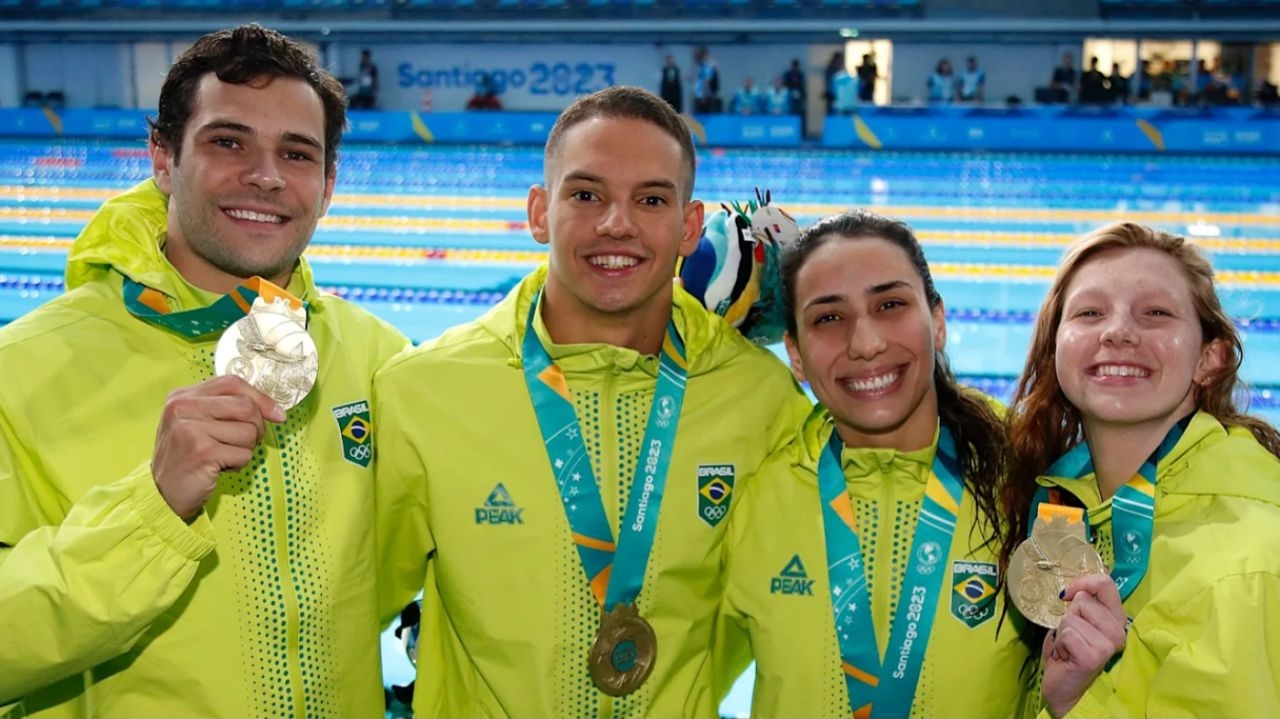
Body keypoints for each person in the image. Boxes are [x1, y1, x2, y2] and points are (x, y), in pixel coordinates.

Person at [0, 24, 409, 718]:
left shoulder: (379, 358)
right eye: (229, 142)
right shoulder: (22, 371)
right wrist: (151, 510)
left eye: (297, 153)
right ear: (163, 158)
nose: (266, 176)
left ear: (328, 184)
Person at [372, 85, 811, 717]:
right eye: (586, 195)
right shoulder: (423, 391)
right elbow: (347, 606)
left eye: (651, 199)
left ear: (689, 227)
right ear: (539, 212)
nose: (616, 224)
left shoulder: (762, 400)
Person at [717, 210, 1030, 717]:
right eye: (828, 318)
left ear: (939, 322)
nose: (866, 344)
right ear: (795, 354)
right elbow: (681, 679)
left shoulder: (1028, 478)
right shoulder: (755, 497)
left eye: (890, 305)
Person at [999, 222, 1280, 717]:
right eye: (1090, 312)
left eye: (1156, 313)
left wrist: (1074, 704)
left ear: (1209, 358)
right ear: (1056, 346)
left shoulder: (1244, 560)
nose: (1118, 332)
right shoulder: (1061, 501)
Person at [693, 46, 721, 113]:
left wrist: (704, 96)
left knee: (706, 113)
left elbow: (707, 81)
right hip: (700, 94)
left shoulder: (708, 66)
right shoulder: (700, 66)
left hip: (706, 96)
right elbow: (700, 79)